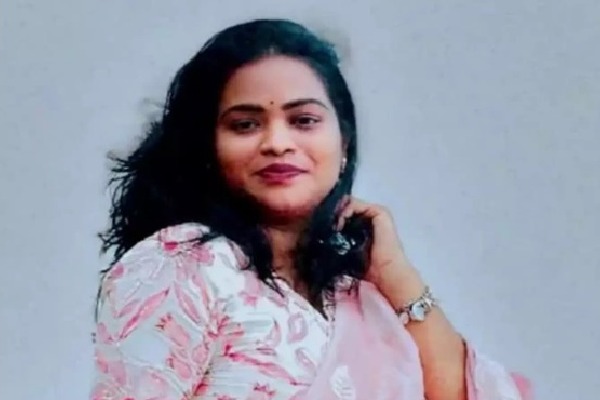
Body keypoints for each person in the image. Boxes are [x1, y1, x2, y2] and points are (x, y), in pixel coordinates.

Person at [92, 18, 531, 400]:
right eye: (245, 125)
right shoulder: (185, 264)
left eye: (303, 120)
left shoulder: (358, 292)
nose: (277, 142)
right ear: (209, 149)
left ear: (344, 145)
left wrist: (398, 277)